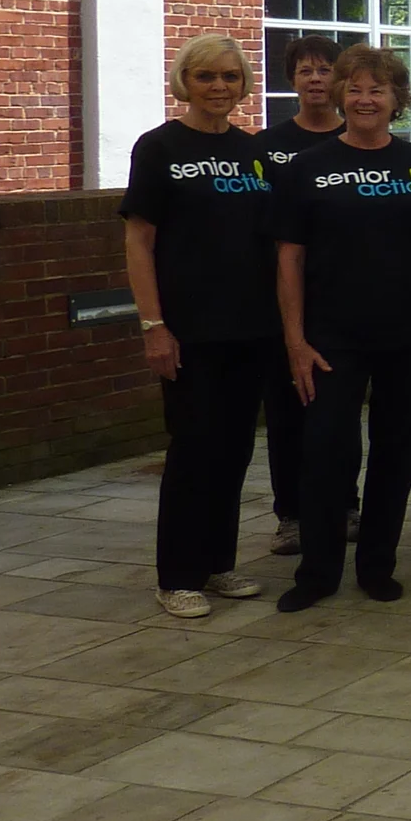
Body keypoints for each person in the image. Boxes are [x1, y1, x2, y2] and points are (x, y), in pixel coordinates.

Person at [269, 45, 411, 612]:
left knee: (396, 453)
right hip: (332, 339)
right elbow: (289, 258)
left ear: (398, 100)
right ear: (339, 96)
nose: (365, 99)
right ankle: (317, 571)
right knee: (327, 453)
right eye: (354, 89)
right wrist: (294, 339)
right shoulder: (307, 167)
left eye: (377, 90)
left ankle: (378, 565)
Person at [122, 34, 274, 618]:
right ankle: (177, 576)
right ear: (185, 81)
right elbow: (139, 239)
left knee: (234, 450)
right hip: (188, 330)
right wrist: (153, 325)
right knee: (192, 450)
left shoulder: (252, 151)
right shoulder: (159, 147)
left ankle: (217, 564)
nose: (218, 87)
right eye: (206, 76)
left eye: (230, 77)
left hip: (249, 328)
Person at [256, 33, 344, 555]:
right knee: (287, 412)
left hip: (339, 298)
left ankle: (344, 503)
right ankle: (290, 514)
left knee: (337, 412)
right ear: (292, 80)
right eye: (306, 70)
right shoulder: (265, 148)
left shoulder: (359, 137)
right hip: (279, 301)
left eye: (325, 70)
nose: (316, 79)